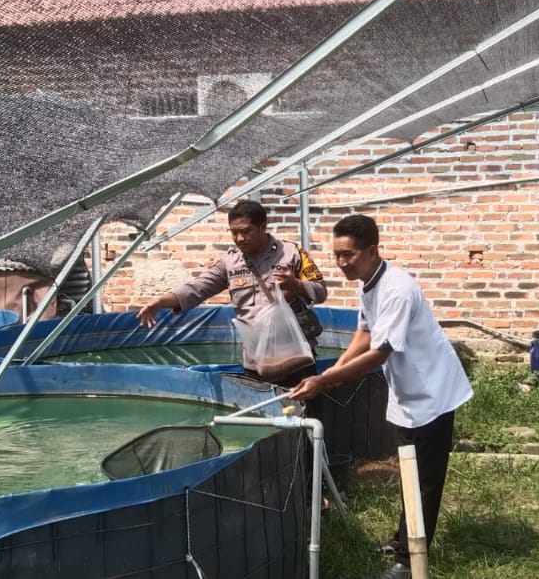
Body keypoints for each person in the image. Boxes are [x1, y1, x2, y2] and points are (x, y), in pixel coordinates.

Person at [289, 214, 472, 579]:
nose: (341, 263)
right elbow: (364, 333)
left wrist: (323, 381)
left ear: (372, 251)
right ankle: (403, 539)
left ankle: (409, 559)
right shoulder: (368, 282)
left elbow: (379, 353)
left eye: (348, 255)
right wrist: (334, 369)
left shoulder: (398, 289)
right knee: (409, 470)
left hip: (434, 390)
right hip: (409, 390)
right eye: (337, 255)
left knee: (425, 478)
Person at [136, 200, 328, 386]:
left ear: (262, 227)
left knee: (304, 406)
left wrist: (296, 285)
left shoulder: (292, 253)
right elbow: (197, 288)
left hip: (296, 357)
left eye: (246, 231)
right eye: (234, 233)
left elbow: (320, 292)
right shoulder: (230, 262)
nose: (239, 239)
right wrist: (160, 302)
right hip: (256, 362)